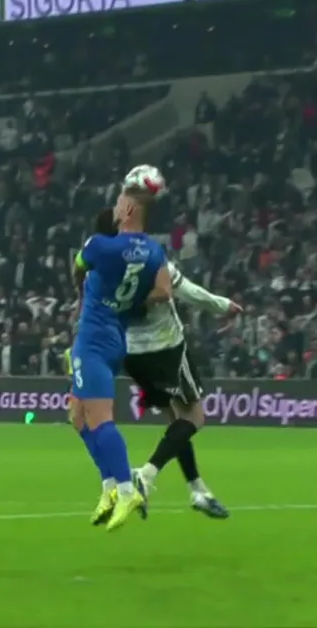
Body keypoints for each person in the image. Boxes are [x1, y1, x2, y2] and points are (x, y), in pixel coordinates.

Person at [78, 209, 237, 521]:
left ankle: (199, 490)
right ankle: (146, 475)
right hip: (166, 348)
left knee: (175, 422)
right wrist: (224, 306)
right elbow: (184, 289)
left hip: (130, 352)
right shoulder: (146, 259)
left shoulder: (98, 270)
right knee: (194, 417)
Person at [71, 187, 172, 532]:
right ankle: (109, 486)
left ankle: (127, 490)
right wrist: (134, 302)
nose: (114, 207)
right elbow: (164, 291)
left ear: (127, 209)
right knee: (76, 415)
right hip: (117, 338)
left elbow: (78, 268)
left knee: (99, 419)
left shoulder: (100, 245)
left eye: (118, 202)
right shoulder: (155, 251)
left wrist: (83, 291)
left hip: (93, 339)